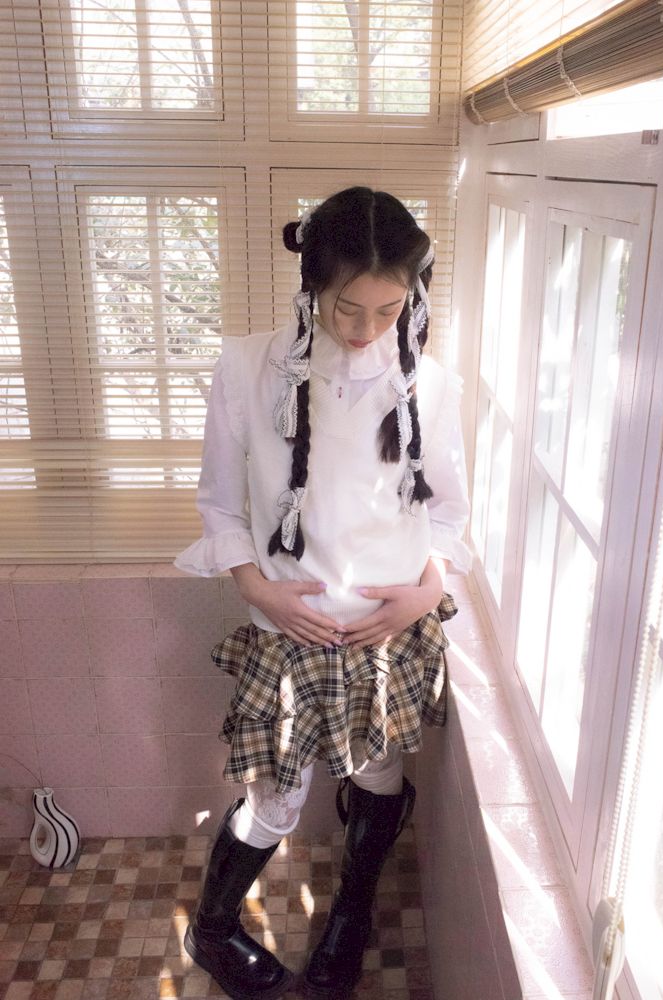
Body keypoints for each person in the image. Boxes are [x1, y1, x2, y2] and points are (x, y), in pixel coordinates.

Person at [174, 186, 470, 1000]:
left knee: (377, 777)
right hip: (290, 629)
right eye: (347, 308)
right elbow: (219, 504)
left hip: (388, 632)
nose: (367, 328)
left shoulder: (429, 383)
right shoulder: (246, 366)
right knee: (275, 799)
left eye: (389, 309)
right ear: (311, 282)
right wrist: (259, 590)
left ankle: (350, 916)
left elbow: (449, 513)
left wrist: (425, 593)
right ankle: (212, 929)